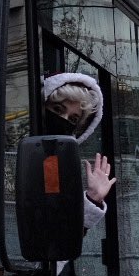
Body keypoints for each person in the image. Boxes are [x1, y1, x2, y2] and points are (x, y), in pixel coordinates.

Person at [41, 71, 115, 232]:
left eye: (73, 119)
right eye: (58, 109)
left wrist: (93, 198)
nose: (64, 120)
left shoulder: (52, 166)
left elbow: (57, 239)